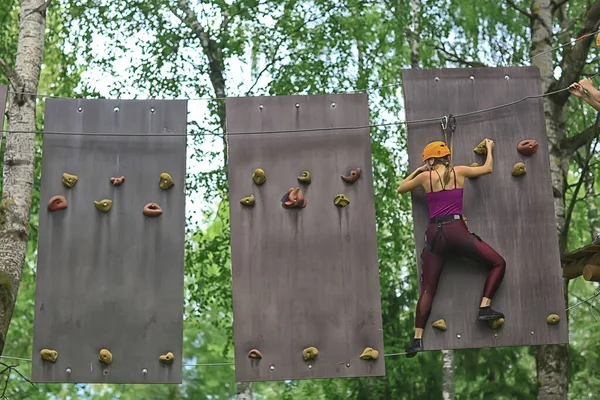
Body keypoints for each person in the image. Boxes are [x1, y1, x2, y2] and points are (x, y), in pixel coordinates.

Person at [397, 140, 506, 358]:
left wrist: (419, 170)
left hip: (435, 235)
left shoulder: (423, 177)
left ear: (429, 160)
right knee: (498, 263)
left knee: (428, 288)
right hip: (457, 230)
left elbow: (401, 188)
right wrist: (490, 149)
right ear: (447, 157)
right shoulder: (460, 171)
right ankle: (484, 306)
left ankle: (417, 339)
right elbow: (488, 168)